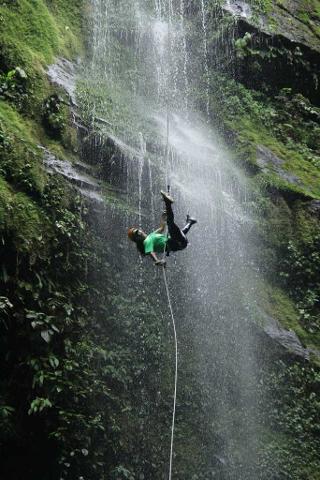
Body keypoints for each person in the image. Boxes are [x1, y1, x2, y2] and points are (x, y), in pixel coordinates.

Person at [128, 191, 197, 266]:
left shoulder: (151, 236)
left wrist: (163, 217)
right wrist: (157, 261)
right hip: (177, 244)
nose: (139, 232)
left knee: (177, 231)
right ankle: (168, 203)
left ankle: (190, 222)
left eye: (138, 230)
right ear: (136, 238)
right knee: (171, 225)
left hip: (178, 241)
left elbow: (162, 228)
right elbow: (150, 252)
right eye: (136, 233)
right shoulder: (147, 242)